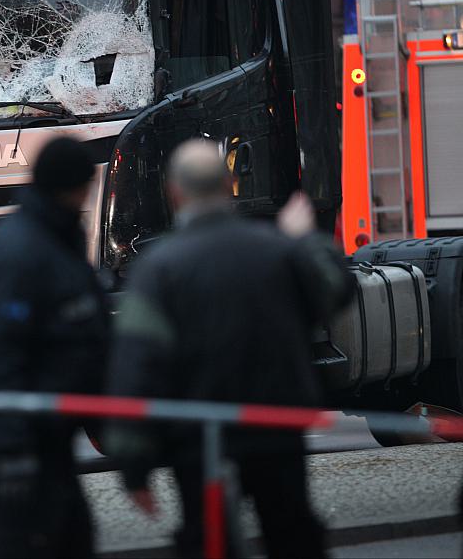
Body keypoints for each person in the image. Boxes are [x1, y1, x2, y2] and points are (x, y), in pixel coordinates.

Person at [105, 139, 354, 559]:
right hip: (276, 426)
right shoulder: (275, 249)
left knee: (207, 537)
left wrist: (134, 465)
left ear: (174, 192)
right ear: (229, 185)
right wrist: (306, 239)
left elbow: (137, 363)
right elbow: (337, 291)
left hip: (199, 436)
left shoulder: (159, 268)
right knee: (292, 531)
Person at [0, 136, 110, 558]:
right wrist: (14, 452)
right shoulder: (24, 253)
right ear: (72, 187)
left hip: (48, 435)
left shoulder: (51, 239)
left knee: (69, 538)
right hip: (26, 443)